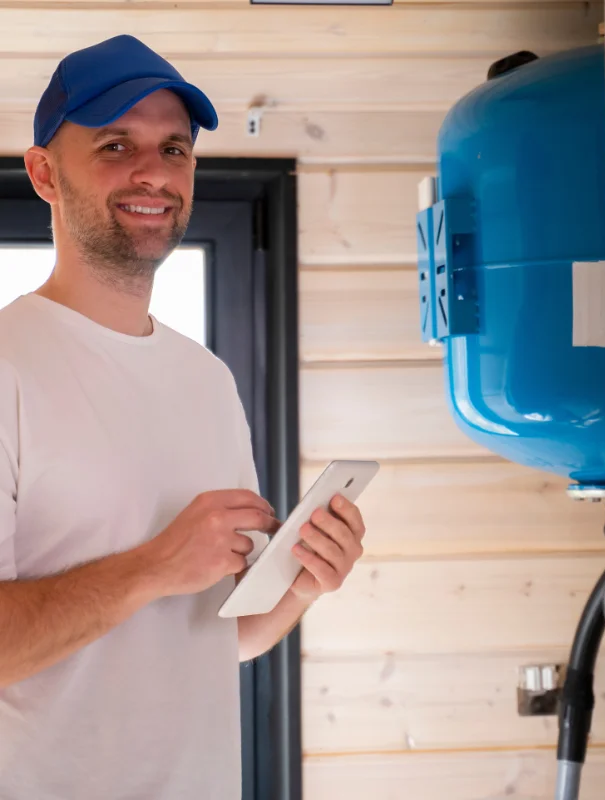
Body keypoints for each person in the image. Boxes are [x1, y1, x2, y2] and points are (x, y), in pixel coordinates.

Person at [0, 34, 367, 799]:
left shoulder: (207, 381)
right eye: (115, 145)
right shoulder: (10, 364)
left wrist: (302, 584)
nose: (154, 172)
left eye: (174, 148)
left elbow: (216, 639)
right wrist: (155, 566)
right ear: (43, 173)